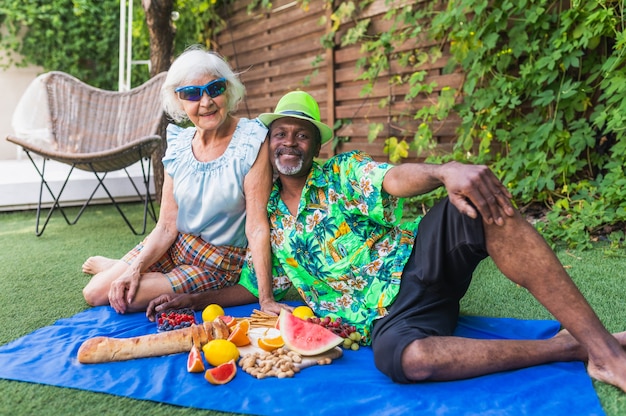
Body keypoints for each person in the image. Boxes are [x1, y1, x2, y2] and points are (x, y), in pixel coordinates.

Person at [146, 91, 626, 392]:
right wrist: (191, 297)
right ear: (268, 144)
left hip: (418, 265)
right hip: (388, 320)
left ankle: (606, 352)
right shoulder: (263, 215)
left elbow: (393, 178)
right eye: (281, 134)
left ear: (317, 146)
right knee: (406, 362)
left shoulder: (342, 172)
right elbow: (253, 287)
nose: (290, 142)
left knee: (479, 206)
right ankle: (566, 347)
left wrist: (442, 171)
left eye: (302, 135)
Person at [82, 46, 286, 315]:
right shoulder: (178, 144)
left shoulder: (252, 140)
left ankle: (118, 267)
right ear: (178, 101)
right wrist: (135, 269)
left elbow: (257, 227)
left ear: (229, 89)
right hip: (176, 243)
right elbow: (166, 226)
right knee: (94, 293)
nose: (206, 102)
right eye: (191, 94)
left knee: (123, 298)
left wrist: (265, 298)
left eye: (215, 89)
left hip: (216, 260)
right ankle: (118, 267)